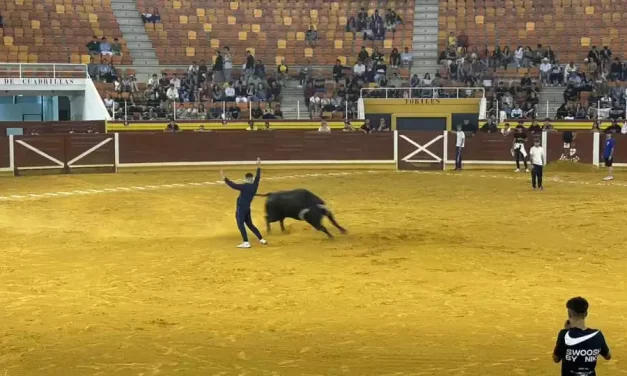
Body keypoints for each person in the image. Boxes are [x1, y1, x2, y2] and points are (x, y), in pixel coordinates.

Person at [553, 297, 611, 375]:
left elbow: (556, 359)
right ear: (586, 314)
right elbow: (608, 356)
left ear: (569, 314)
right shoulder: (597, 335)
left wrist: (567, 331)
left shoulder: (564, 335)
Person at [220, 158, 267, 248]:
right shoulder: (254, 185)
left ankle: (246, 242)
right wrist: (258, 166)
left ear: (246, 178)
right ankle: (261, 239)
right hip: (247, 208)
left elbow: (232, 185)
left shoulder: (244, 186)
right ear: (252, 179)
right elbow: (258, 177)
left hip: (241, 208)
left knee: (240, 224)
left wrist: (224, 177)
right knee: (250, 224)